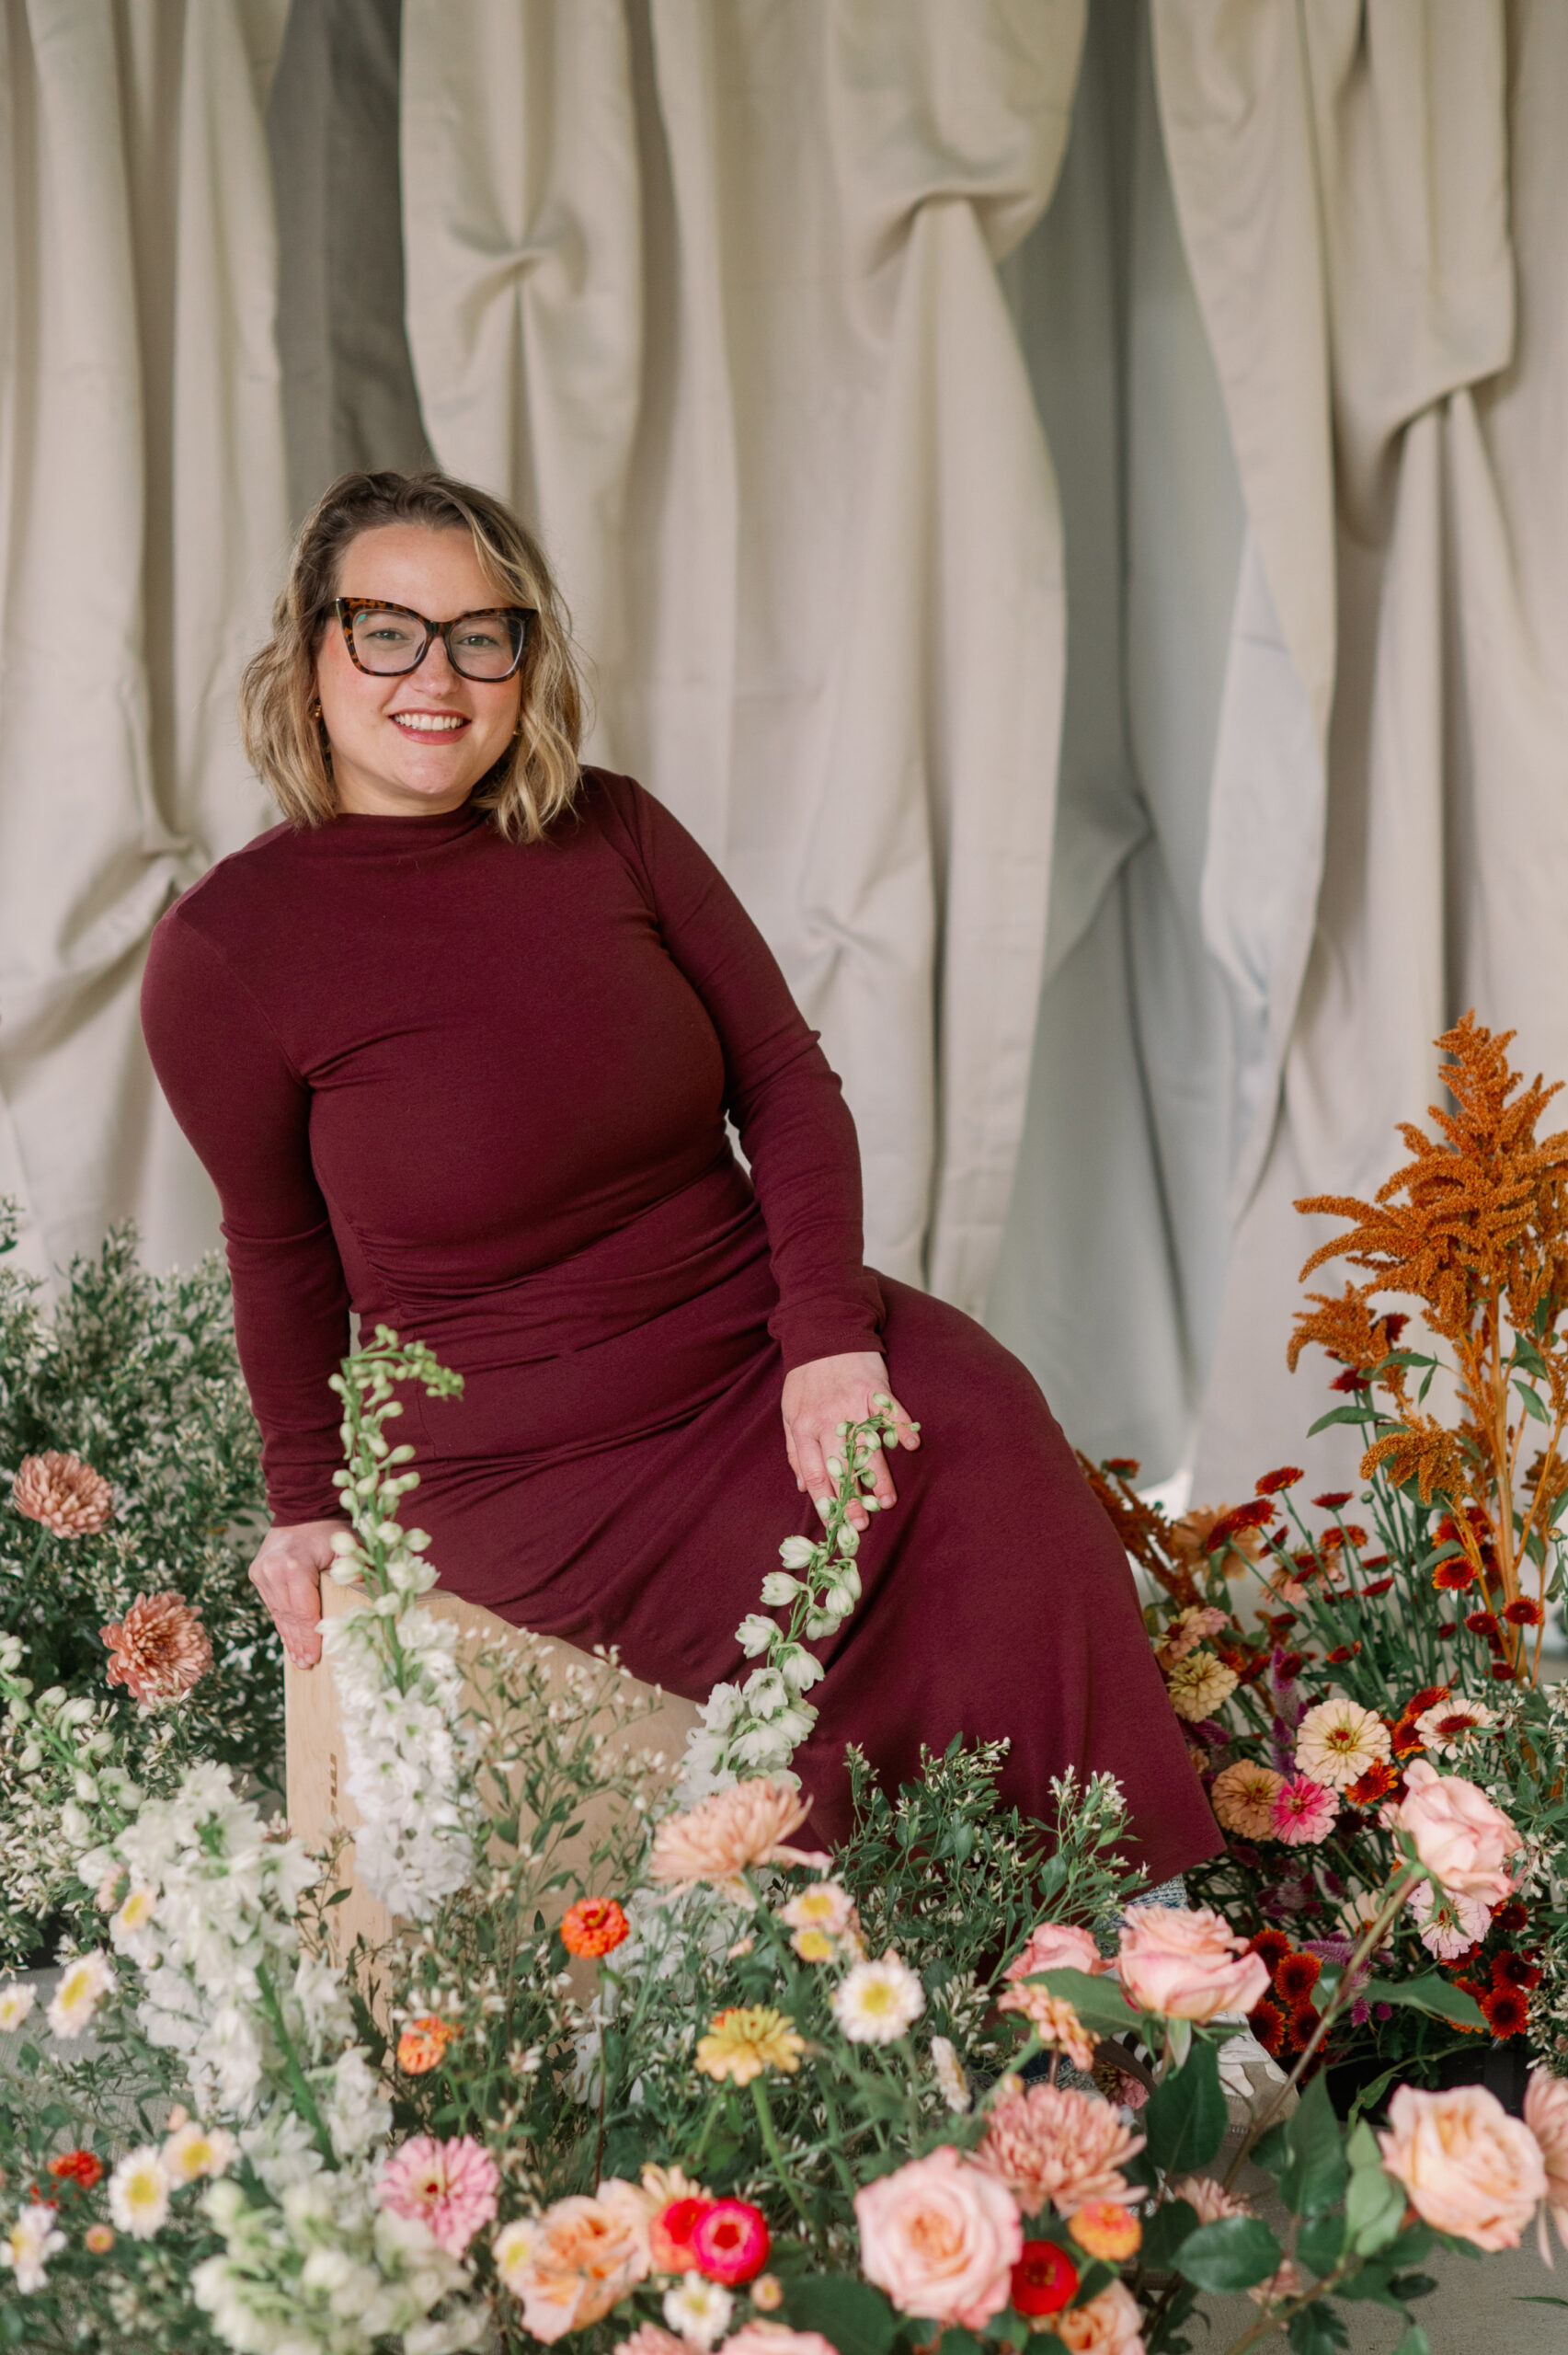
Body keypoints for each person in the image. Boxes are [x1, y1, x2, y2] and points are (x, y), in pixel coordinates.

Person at [141, 468, 1219, 1882]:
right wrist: (304, 1505)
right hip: (529, 1461)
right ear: (310, 651)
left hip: (754, 1340)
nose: (437, 677)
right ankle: (906, 1945)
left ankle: (1112, 1925)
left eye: (480, 635)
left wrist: (825, 1340)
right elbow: (279, 1252)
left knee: (979, 1426)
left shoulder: (616, 830)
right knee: (805, 1639)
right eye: (387, 630)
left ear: (526, 659)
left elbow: (783, 1081)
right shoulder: (226, 952)